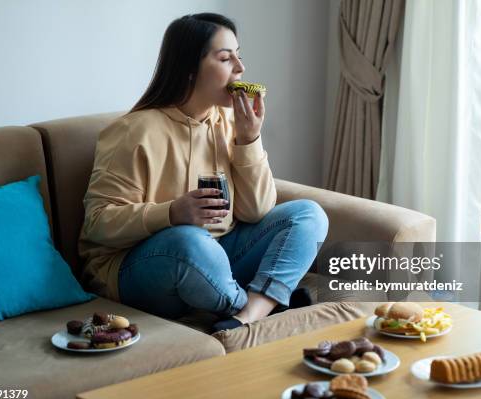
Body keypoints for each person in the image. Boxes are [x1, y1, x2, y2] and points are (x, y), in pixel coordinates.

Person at [79, 12, 328, 332]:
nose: (240, 68)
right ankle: (268, 303)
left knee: (308, 214)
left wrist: (248, 140)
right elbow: (98, 223)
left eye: (239, 56)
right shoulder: (133, 132)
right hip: (139, 270)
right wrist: (171, 213)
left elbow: (257, 211)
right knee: (189, 241)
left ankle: (248, 316)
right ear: (189, 69)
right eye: (226, 58)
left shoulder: (229, 124)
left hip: (217, 258)